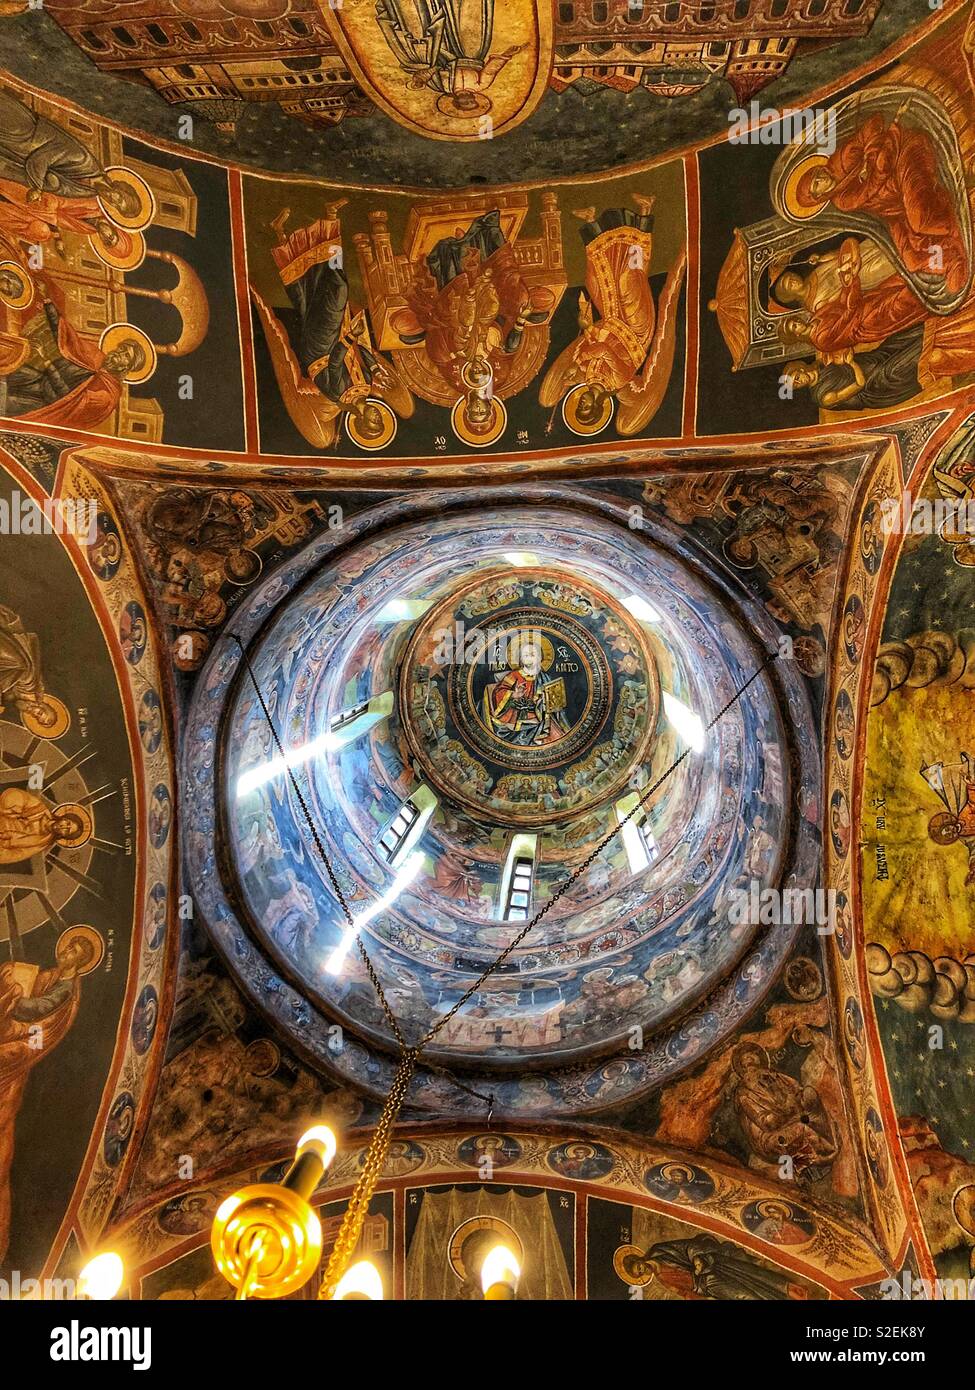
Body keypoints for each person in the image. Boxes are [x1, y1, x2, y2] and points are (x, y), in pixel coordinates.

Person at [0, 788, 86, 864]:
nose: (63, 827)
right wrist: (11, 808)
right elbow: (13, 794)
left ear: (63, 836)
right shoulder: (39, 810)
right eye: (67, 823)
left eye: (67, 831)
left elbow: (15, 855)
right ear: (64, 818)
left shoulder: (41, 843)